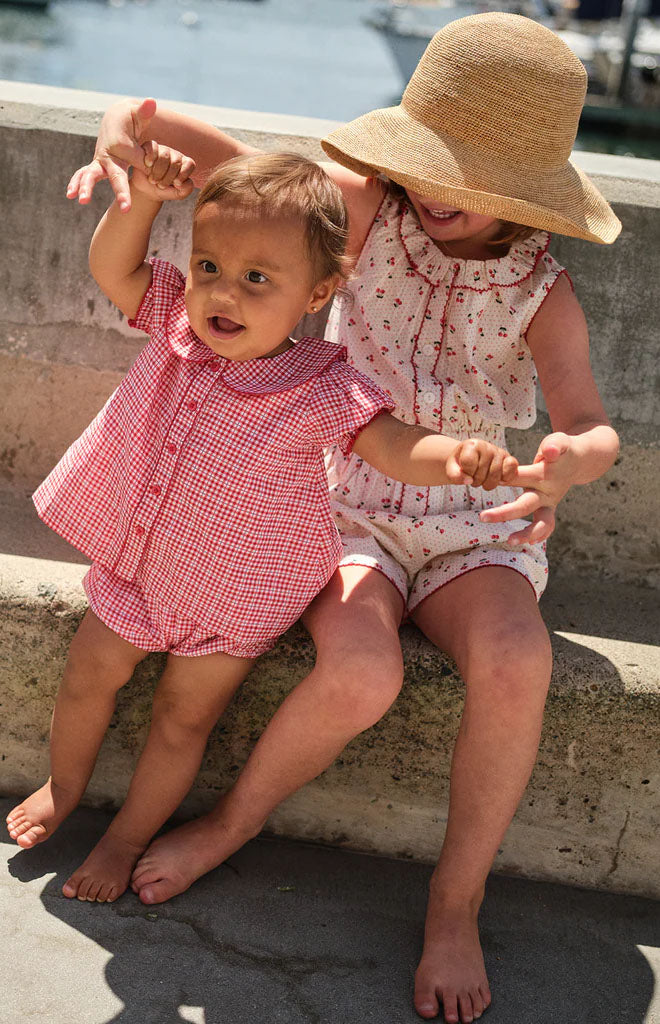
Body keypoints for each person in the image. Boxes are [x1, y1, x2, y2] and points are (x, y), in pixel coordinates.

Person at [40, 12, 622, 1024]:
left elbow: (589, 420)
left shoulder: (543, 290)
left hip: (474, 523)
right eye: (430, 162)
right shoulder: (359, 208)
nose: (436, 191)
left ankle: (455, 899)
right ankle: (230, 824)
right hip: (347, 503)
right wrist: (122, 140)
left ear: (521, 196)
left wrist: (574, 459)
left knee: (517, 661)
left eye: (469, 180)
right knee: (360, 669)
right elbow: (174, 136)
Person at [6, 151, 526, 914]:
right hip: (140, 561)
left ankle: (124, 838)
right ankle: (64, 785)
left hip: (236, 591)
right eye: (209, 265)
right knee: (89, 675)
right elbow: (114, 268)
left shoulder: (324, 383)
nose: (223, 293)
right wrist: (143, 201)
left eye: (258, 280)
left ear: (317, 294)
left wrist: (461, 458)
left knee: (184, 720)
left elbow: (389, 445)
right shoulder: (177, 327)